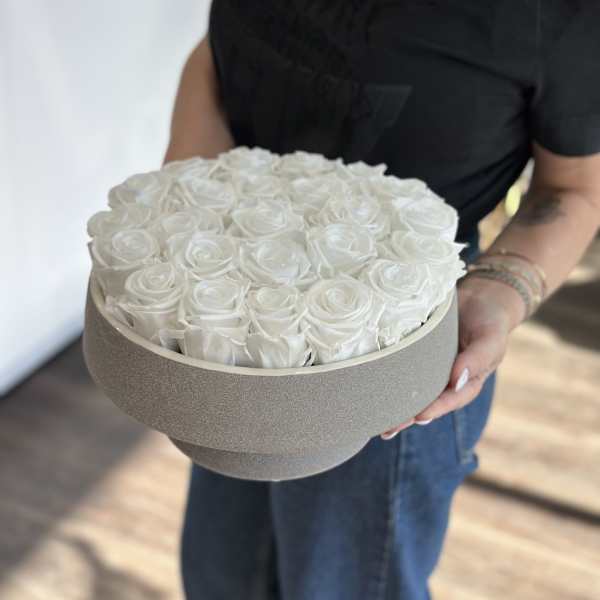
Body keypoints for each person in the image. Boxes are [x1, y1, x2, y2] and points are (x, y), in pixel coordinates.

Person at [164, 2, 600, 598]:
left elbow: (572, 191)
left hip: (397, 357)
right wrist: (187, 216)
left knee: (341, 586)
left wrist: (500, 294)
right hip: (235, 328)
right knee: (219, 575)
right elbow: (220, 56)